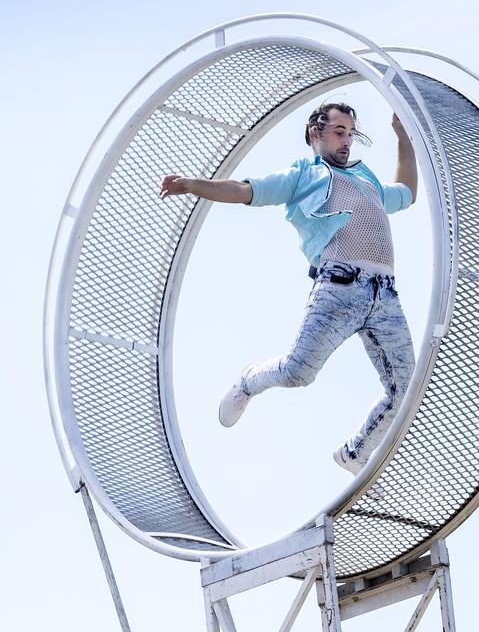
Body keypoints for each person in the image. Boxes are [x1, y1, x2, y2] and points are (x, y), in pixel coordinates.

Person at [158, 102, 418, 475]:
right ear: (316, 133)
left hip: (385, 297)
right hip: (339, 288)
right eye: (339, 132)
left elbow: (407, 191)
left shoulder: (367, 180)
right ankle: (250, 380)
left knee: (406, 391)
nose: (347, 141)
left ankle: (355, 453)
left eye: (351, 133)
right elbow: (245, 190)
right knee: (299, 373)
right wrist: (193, 185)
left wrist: (403, 137)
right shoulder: (304, 175)